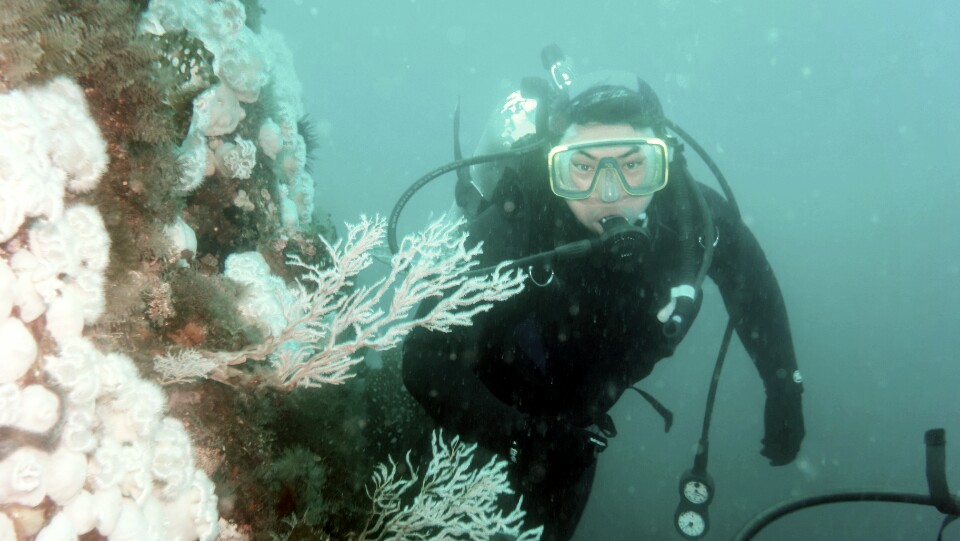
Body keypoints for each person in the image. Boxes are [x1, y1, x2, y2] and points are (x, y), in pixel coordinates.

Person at [401, 67, 805, 540]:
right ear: (556, 168)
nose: (608, 193)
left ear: (663, 166)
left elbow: (753, 289)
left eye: (634, 165)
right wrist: (518, 435)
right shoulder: (516, 221)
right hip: (484, 398)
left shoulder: (691, 219)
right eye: (583, 167)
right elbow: (423, 356)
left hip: (575, 427)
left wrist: (784, 387)